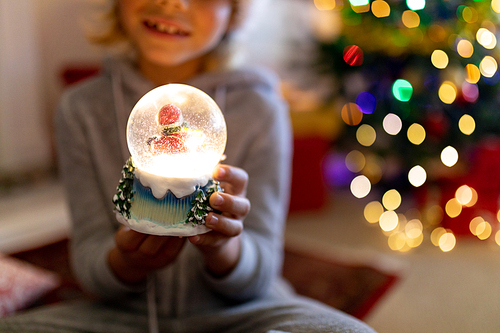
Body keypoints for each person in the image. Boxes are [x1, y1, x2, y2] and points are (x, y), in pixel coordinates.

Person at [0, 0, 377, 332]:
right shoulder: (79, 110)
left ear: (233, 12)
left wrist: (223, 249)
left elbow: (260, 275)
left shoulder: (260, 107)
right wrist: (127, 259)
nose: (173, 3)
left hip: (241, 313)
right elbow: (90, 269)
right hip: (120, 316)